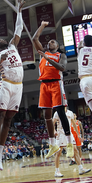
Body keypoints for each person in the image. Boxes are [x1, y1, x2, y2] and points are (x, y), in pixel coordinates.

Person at [0, 0, 25, 171]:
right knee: (0, 116)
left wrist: (19, 10)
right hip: (6, 84)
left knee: (9, 120)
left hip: (19, 86)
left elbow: (19, 28)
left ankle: (0, 155)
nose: (2, 39)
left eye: (2, 38)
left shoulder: (12, 46)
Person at [32, 21, 74, 159]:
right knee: (47, 116)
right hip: (44, 85)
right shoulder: (42, 53)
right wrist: (43, 25)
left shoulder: (61, 55)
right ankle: (52, 144)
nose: (50, 43)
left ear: (57, 46)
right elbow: (34, 39)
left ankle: (69, 145)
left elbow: (62, 68)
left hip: (56, 84)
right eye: (49, 42)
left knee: (61, 113)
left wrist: (47, 58)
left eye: (53, 42)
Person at [53, 108, 90, 177]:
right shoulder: (57, 113)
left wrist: (78, 135)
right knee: (58, 152)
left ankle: (80, 168)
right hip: (60, 134)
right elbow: (52, 123)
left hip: (69, 134)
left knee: (75, 150)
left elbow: (74, 124)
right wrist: (54, 131)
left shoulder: (70, 113)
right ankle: (57, 171)